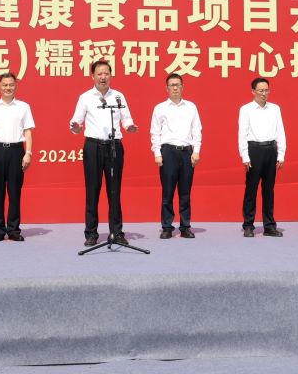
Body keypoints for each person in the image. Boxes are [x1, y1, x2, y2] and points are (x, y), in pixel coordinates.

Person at [69, 59, 138, 247]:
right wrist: (75, 127)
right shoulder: (85, 97)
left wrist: (130, 127)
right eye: (99, 74)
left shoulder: (118, 96)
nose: (103, 77)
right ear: (92, 76)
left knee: (114, 191)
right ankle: (91, 233)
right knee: (92, 191)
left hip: (114, 146)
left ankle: (116, 232)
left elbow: (126, 119)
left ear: (111, 75)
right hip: (93, 146)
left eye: (106, 73)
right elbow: (76, 123)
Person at [0, 72, 35, 242]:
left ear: (15, 86)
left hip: (17, 151)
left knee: (15, 193)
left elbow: (28, 131)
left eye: (11, 84)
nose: (8, 87)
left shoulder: (23, 107)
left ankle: (14, 229)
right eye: (5, 85)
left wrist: (28, 153)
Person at [149, 73, 202, 239]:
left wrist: (196, 150)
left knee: (185, 193)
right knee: (168, 192)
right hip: (168, 152)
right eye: (172, 85)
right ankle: (167, 227)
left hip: (187, 152)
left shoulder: (191, 107)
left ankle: (185, 226)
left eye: (178, 85)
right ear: (167, 88)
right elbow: (155, 132)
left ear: (182, 87)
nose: (175, 88)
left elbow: (197, 129)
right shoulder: (160, 108)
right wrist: (157, 153)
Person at [237, 77, 286, 238]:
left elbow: (280, 131)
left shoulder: (275, 109)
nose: (264, 93)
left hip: (271, 149)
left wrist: (281, 153)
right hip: (254, 150)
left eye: (266, 90)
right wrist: (245, 156)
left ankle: (269, 226)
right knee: (251, 189)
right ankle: (248, 225)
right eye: (260, 90)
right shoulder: (246, 109)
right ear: (253, 91)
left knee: (268, 190)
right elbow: (242, 134)